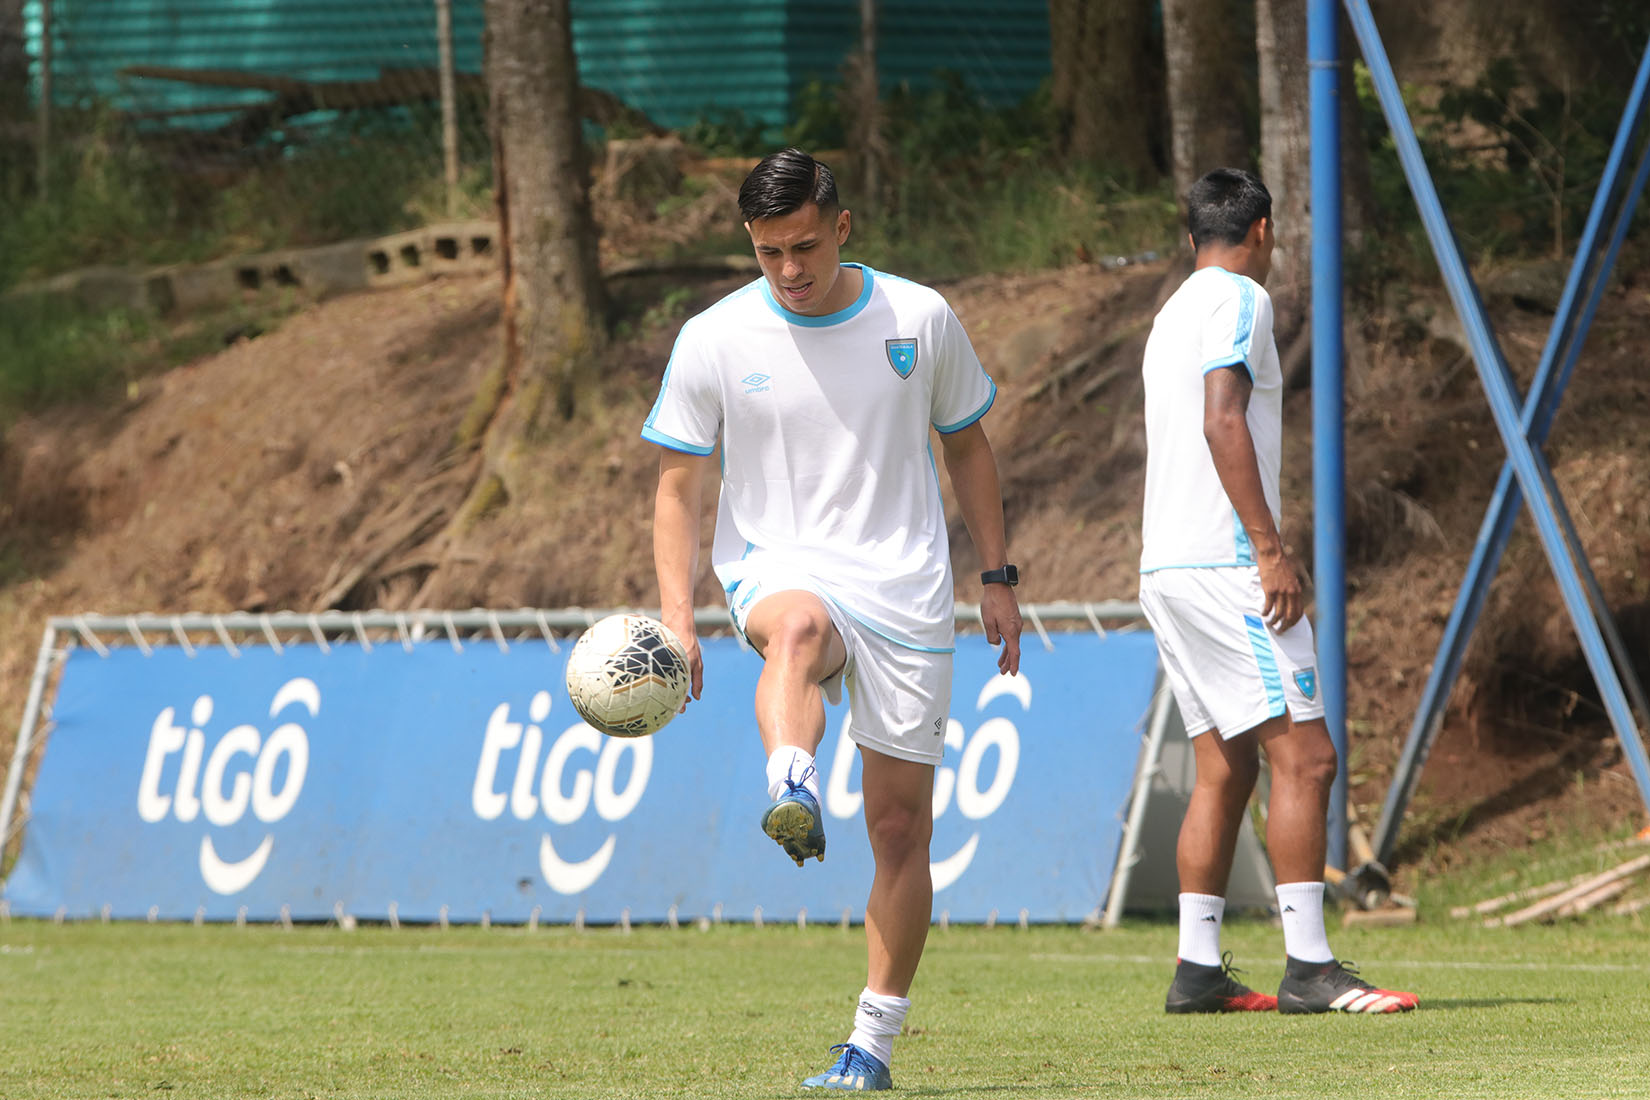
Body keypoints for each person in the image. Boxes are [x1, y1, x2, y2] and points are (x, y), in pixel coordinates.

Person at [644, 147, 1023, 1089]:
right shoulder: (714, 338)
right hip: (779, 564)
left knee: (899, 833)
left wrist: (998, 574)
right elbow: (677, 486)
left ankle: (872, 1045)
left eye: (805, 247)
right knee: (798, 629)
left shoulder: (919, 317)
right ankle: (792, 784)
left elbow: (966, 447)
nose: (790, 271)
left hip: (904, 586)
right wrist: (678, 619)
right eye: (769, 253)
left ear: (842, 227)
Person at [1138, 167, 1418, 1016]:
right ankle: (1310, 965)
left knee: (1223, 767)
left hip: (1166, 566)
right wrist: (1269, 550)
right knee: (1310, 754)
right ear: (1262, 231)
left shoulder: (1171, 312)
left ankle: (1196, 972)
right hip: (1226, 566)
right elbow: (1223, 418)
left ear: (1193, 237)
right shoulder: (1239, 299)